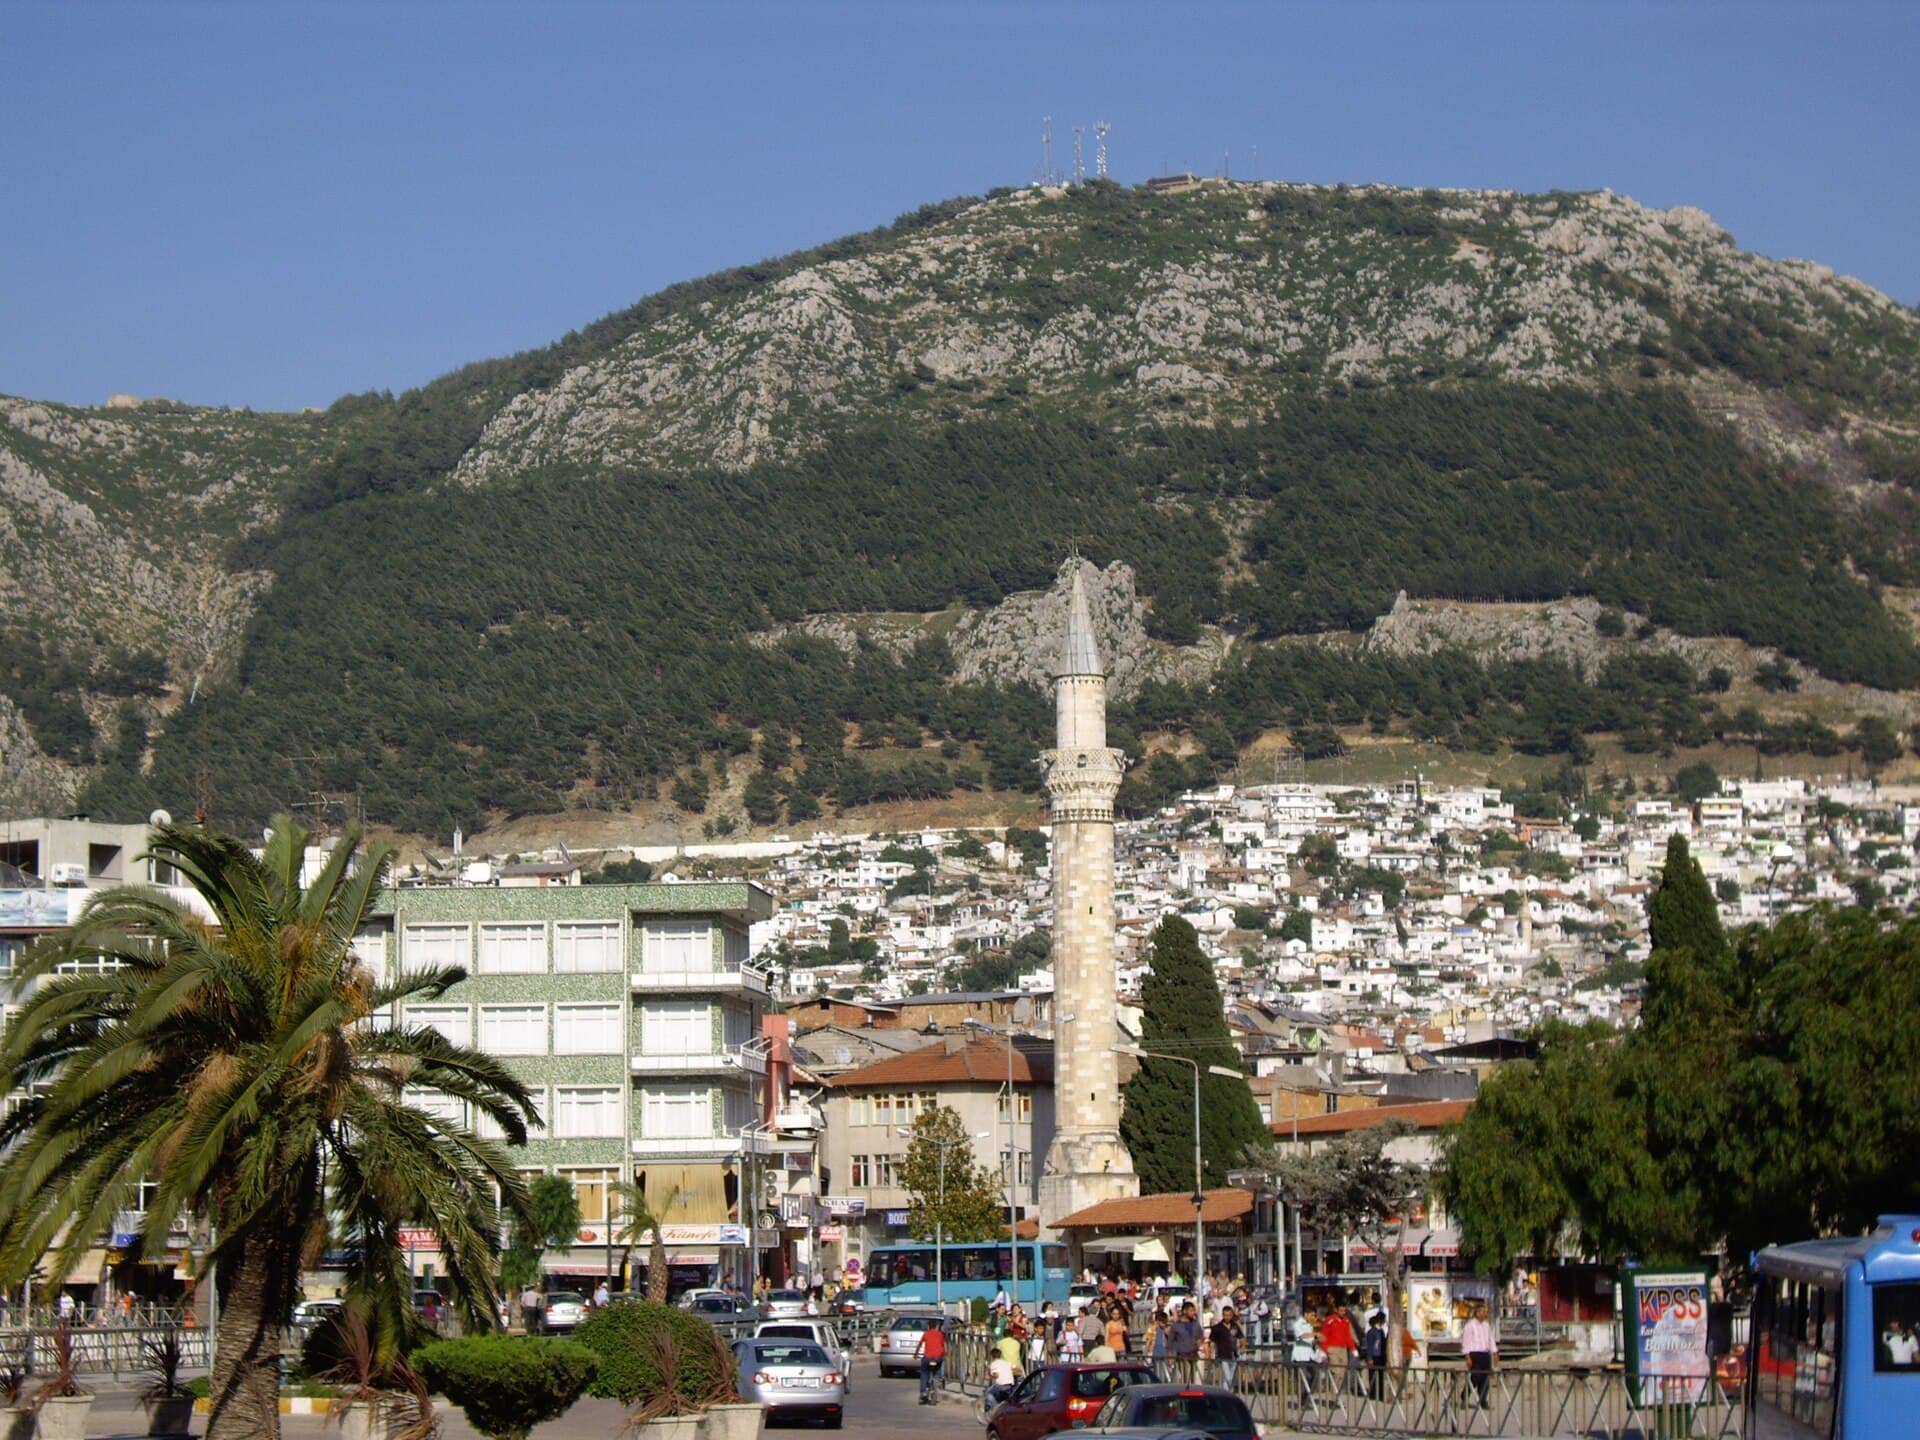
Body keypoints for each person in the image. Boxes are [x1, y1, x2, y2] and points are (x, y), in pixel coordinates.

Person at [1460, 1301, 1496, 1408]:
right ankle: (1464, 1396)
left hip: (1485, 1354)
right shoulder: (1470, 1326)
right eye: (1484, 1312)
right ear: (1478, 1313)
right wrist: (1467, 1356)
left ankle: (1483, 1400)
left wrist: (1495, 1352)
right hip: (1475, 1354)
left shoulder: (1486, 1325)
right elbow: (1466, 1341)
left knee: (1485, 1378)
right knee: (1475, 1377)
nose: (1486, 1314)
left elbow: (1490, 1340)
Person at [1322, 1303, 1359, 1395]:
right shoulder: (1330, 1320)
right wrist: (1323, 1350)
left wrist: (1353, 1349)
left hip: (1343, 1349)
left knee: (1342, 1372)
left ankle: (1337, 1391)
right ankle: (1332, 1392)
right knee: (1336, 1371)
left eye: (1344, 1311)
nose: (1343, 1313)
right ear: (1336, 1310)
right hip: (1332, 1348)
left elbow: (1348, 1336)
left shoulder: (1346, 1321)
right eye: (1341, 1311)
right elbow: (1324, 1335)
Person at [1166, 1302, 1203, 1382]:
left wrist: (1200, 1341)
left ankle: (1193, 1393)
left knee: (1194, 1378)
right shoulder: (1176, 1325)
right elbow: (1170, 1342)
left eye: (1194, 1311)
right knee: (1185, 1379)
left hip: (1194, 1355)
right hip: (1182, 1355)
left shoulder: (1195, 1323)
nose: (1193, 1313)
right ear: (1184, 1311)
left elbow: (1200, 1335)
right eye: (1191, 1311)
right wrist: (1170, 1357)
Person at [1209, 1306, 1243, 1389]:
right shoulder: (1217, 1328)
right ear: (1223, 1315)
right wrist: (1211, 1354)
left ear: (1232, 1315)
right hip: (1222, 1355)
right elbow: (1212, 1342)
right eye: (1225, 1315)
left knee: (1232, 1377)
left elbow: (1241, 1337)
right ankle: (1226, 1393)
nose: (1227, 1317)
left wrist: (1242, 1346)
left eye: (1229, 1315)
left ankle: (1229, 1392)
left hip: (1234, 1354)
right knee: (1227, 1377)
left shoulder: (1235, 1326)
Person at [916, 1319, 947, 1405]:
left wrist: (915, 1354)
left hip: (927, 1358)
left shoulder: (926, 1334)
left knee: (924, 1373)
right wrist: (945, 1355)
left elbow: (919, 1345)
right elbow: (944, 1346)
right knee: (937, 1371)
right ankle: (937, 1382)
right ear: (937, 1326)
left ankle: (923, 1392)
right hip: (938, 1358)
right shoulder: (940, 1334)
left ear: (928, 1326)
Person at [1363, 1312, 1389, 1400]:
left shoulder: (1381, 1331)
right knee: (1373, 1376)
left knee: (1381, 1376)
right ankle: (1373, 1394)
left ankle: (1380, 1394)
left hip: (1381, 1356)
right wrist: (1369, 1358)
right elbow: (1369, 1345)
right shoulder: (1371, 1332)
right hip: (1374, 1356)